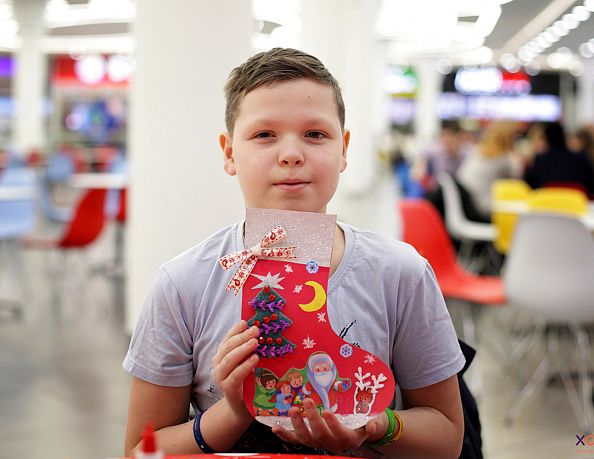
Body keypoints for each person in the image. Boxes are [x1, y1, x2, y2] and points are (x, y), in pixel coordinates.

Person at [123, 47, 465, 458]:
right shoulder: (183, 284)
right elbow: (142, 450)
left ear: (344, 150)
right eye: (264, 135)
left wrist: (376, 425)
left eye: (315, 134)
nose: (291, 154)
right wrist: (233, 411)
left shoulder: (401, 274)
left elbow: (448, 438)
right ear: (229, 153)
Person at [456, 121, 521, 220]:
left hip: (467, 206)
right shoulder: (504, 160)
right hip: (483, 209)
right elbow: (516, 182)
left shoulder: (476, 152)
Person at [523, 121, 594, 197]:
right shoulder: (581, 158)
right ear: (564, 137)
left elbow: (528, 186)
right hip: (575, 202)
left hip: (547, 202)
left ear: (547, 139)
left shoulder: (540, 160)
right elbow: (591, 187)